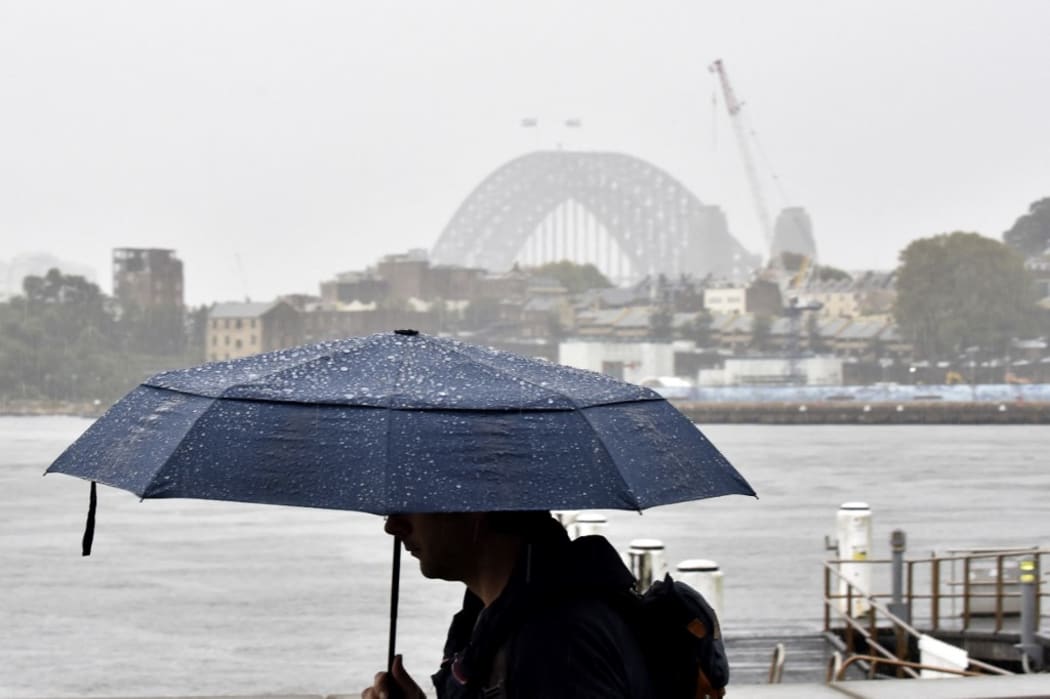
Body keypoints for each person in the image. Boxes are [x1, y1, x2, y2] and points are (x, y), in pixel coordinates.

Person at [361, 510, 655, 699]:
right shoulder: (499, 620)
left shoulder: (555, 642)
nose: (392, 526)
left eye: (409, 502)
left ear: (474, 507)